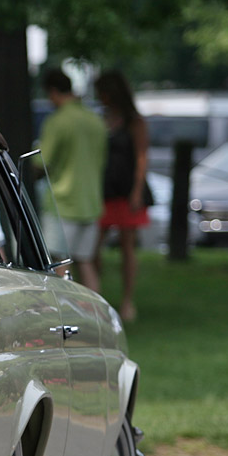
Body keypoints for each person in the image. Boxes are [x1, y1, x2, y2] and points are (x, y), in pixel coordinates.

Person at [38, 68, 108, 291]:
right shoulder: (95, 120)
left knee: (61, 262)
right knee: (86, 262)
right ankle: (97, 313)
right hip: (91, 202)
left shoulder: (58, 121)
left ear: (53, 92)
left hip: (63, 202)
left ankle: (65, 315)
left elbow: (41, 162)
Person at [94, 70, 149, 322]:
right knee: (93, 246)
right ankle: (98, 296)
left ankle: (128, 302)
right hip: (104, 190)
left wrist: (136, 191)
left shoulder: (134, 121)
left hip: (127, 191)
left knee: (128, 246)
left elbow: (141, 157)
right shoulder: (102, 119)